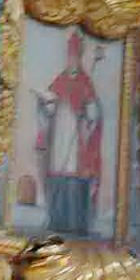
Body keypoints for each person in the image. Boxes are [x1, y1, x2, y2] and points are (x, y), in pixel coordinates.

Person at [34, 32, 104, 235]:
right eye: (70, 57)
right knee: (58, 176)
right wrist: (45, 104)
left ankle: (75, 223)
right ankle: (57, 221)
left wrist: (86, 112)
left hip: (77, 141)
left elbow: (94, 113)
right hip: (59, 140)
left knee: (75, 178)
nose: (72, 60)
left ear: (79, 58)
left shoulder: (85, 82)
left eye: (75, 57)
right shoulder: (60, 80)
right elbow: (48, 108)